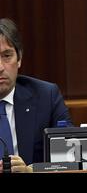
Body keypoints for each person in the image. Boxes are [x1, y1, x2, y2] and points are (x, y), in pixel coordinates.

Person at [0, 18, 72, 173]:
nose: (0, 67)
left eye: (7, 56)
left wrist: (31, 171)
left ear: (19, 59)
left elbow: (70, 159)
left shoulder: (46, 96)